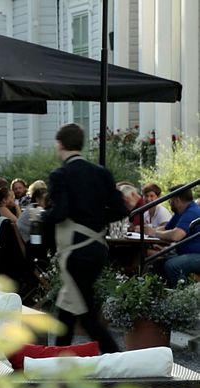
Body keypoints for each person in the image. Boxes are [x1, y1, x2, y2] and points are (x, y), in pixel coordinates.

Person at [41, 123, 128, 354]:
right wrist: (97, 218)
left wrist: (41, 215)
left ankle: (116, 358)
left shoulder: (60, 175)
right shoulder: (102, 173)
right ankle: (59, 360)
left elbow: (60, 213)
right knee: (67, 310)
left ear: (60, 144)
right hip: (97, 247)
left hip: (75, 250)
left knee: (87, 316)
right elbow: (121, 210)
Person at [145, 185, 200, 288]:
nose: (169, 202)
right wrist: (149, 230)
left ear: (177, 200)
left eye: (171, 199)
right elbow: (166, 228)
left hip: (197, 255)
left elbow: (176, 235)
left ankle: (180, 297)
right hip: (187, 253)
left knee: (173, 265)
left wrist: (154, 233)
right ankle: (161, 294)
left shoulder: (192, 211)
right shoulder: (181, 212)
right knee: (157, 262)